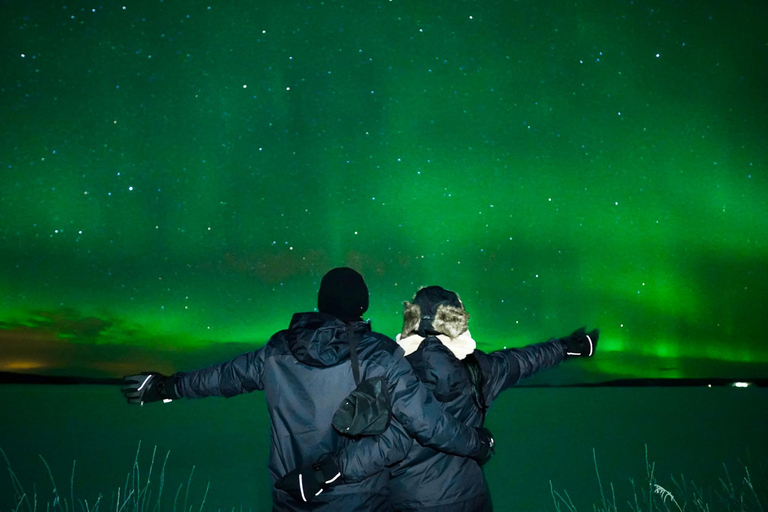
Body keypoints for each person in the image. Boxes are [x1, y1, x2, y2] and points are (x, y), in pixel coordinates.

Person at [121, 268, 494, 511]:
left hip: (293, 498)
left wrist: (169, 386)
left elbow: (223, 377)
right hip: (360, 502)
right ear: (363, 307)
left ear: (320, 303)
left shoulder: (277, 350)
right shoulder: (381, 355)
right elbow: (426, 422)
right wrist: (476, 444)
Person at [389, 285, 599, 511]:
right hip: (468, 496)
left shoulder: (390, 370)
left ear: (412, 320)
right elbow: (523, 360)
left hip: (407, 498)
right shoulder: (478, 369)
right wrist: (568, 347)